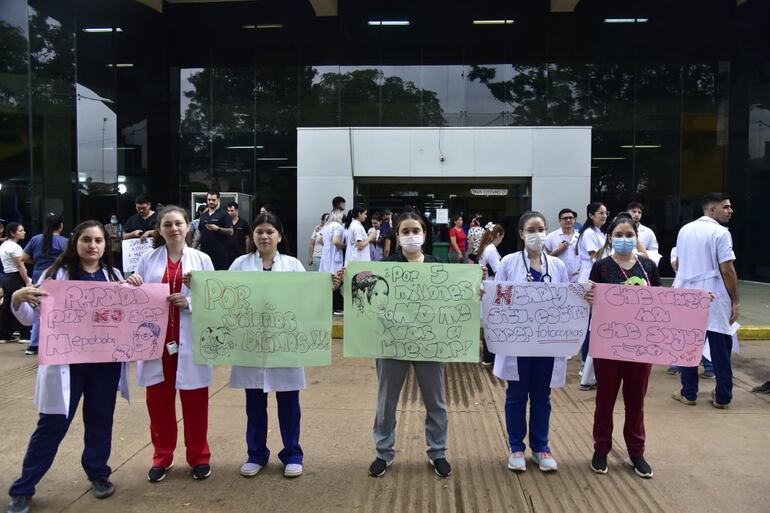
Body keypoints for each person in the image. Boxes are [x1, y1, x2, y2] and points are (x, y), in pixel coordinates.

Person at [5, 221, 130, 513]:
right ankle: (24, 487)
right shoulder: (55, 276)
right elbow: (28, 319)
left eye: (98, 240)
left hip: (104, 366)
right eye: (86, 239)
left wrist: (134, 289)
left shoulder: (114, 277)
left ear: (104, 245)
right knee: (51, 425)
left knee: (100, 421)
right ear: (75, 242)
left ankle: (98, 473)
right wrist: (18, 298)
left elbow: (128, 316)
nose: (93, 245)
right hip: (67, 364)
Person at [126, 206, 215, 482]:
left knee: (196, 402)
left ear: (188, 226)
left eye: (178, 223)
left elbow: (215, 301)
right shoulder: (148, 261)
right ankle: (162, 457)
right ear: (160, 229)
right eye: (167, 224)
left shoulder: (201, 260)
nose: (174, 229)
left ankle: (199, 457)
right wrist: (132, 284)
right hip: (157, 343)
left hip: (190, 341)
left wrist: (189, 302)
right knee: (159, 404)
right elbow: (136, 299)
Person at [366, 211, 452, 479]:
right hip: (393, 343)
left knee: (435, 400)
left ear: (424, 234)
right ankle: (383, 452)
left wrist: (476, 285)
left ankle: (437, 452)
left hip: (430, 343)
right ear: (398, 235)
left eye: (416, 230)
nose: (411, 236)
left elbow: (452, 298)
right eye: (405, 231)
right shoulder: (387, 265)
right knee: (386, 401)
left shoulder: (438, 263)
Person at [229, 213, 308, 479]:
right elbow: (225, 298)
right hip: (251, 345)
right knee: (254, 404)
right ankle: (256, 454)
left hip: (284, 343)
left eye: (270, 231)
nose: (264, 236)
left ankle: (293, 454)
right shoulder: (240, 264)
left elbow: (306, 300)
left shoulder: (293, 265)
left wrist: (327, 287)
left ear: (279, 236)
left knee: (289, 402)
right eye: (259, 231)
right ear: (252, 236)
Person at [493, 211, 572, 474]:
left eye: (541, 229)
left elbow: (566, 301)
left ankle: (540, 447)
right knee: (516, 395)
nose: (537, 234)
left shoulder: (558, 266)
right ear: (521, 233)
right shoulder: (508, 262)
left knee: (542, 395)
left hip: (547, 344)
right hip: (518, 343)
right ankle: (516, 447)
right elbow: (499, 298)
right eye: (531, 229)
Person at [588, 215, 661, 478]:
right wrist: (588, 296)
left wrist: (698, 302)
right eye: (618, 235)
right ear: (610, 238)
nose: (624, 240)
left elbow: (663, 302)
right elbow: (591, 300)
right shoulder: (601, 267)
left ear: (636, 238)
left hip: (641, 346)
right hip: (609, 344)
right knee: (604, 399)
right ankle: (601, 449)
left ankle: (636, 452)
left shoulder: (648, 267)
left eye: (629, 235)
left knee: (636, 401)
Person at [671, 193, 739, 409]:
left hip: (687, 294)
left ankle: (689, 393)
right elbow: (727, 270)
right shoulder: (720, 233)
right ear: (712, 210)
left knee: (688, 345)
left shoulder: (685, 230)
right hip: (714, 293)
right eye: (726, 207)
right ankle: (723, 396)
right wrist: (735, 300)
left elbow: (679, 263)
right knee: (720, 347)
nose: (730, 211)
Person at [20, 213, 67, 355]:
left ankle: (33, 344)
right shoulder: (64, 241)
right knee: (55, 312)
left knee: (38, 310)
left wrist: (39, 262)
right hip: (56, 279)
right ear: (60, 226)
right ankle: (51, 342)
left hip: (37, 277)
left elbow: (24, 258)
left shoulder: (35, 239)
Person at [575, 202, 608, 390]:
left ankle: (589, 366)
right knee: (590, 325)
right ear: (591, 215)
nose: (603, 216)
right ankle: (584, 365)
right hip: (590, 281)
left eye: (605, 213)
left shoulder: (599, 233)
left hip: (596, 281)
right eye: (600, 213)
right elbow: (597, 256)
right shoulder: (588, 234)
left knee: (593, 324)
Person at [478, 223, 505, 366]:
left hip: (485, 286)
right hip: (492, 287)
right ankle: (490, 355)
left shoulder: (484, 247)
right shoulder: (492, 249)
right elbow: (498, 270)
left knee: (489, 323)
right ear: (499, 235)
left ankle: (488, 355)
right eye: (502, 237)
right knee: (493, 323)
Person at [0, 223, 31, 344]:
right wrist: (27, 281)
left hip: (7, 277)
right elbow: (20, 265)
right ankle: (24, 334)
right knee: (22, 302)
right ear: (13, 233)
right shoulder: (15, 247)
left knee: (7, 306)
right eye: (21, 231)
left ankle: (4, 334)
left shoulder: (3, 245)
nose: (24, 232)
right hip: (15, 277)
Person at [198, 190, 233, 270]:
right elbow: (200, 233)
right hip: (205, 255)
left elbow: (231, 232)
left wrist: (218, 229)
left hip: (220, 255)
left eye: (213, 200)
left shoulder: (224, 214)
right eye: (209, 200)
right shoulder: (203, 215)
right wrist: (192, 248)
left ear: (218, 200)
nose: (211, 202)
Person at [319, 209, 346, 314]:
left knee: (329, 282)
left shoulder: (326, 227)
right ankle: (338, 306)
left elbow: (320, 240)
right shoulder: (338, 227)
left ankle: (329, 306)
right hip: (334, 258)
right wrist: (346, 246)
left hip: (326, 257)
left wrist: (327, 245)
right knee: (337, 281)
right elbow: (336, 241)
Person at [544, 208, 581, 283]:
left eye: (570, 218)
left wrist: (582, 269)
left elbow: (585, 257)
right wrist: (559, 250)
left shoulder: (580, 237)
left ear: (574, 220)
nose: (568, 220)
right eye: (565, 218)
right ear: (559, 221)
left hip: (576, 278)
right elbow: (543, 259)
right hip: (557, 276)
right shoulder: (551, 236)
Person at [226, 202, 250, 266]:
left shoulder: (243, 223)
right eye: (228, 211)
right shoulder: (225, 223)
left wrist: (247, 252)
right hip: (227, 254)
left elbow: (247, 238)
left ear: (236, 210)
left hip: (240, 253)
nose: (229, 212)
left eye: (231, 211)